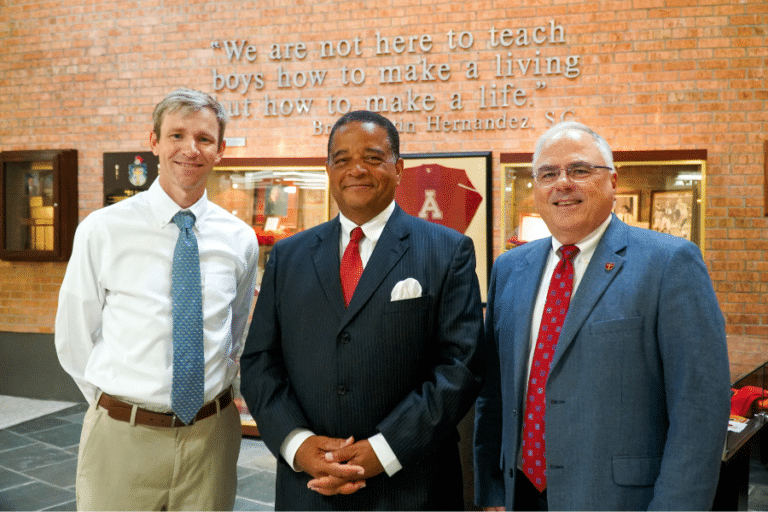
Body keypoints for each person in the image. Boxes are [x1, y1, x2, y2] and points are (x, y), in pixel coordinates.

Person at [473, 121, 730, 511]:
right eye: (548, 174)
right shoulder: (510, 268)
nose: (562, 183)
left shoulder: (668, 264)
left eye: (579, 170)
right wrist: (492, 491)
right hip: (520, 496)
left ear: (613, 181)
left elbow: (700, 411)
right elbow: (494, 392)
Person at [239, 110, 484, 510]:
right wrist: (298, 445)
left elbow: (461, 366)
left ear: (399, 168)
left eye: (372, 157)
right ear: (328, 170)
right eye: (342, 159)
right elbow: (260, 361)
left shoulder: (446, 250)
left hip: (412, 485)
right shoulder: (289, 256)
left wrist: (384, 450)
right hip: (309, 487)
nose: (357, 169)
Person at [55, 88, 259, 510]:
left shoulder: (239, 238)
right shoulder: (104, 229)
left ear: (220, 150)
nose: (190, 149)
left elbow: (234, 333)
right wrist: (116, 403)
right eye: (176, 135)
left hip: (210, 440)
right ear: (154, 142)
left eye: (204, 139)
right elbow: (74, 334)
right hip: (122, 437)